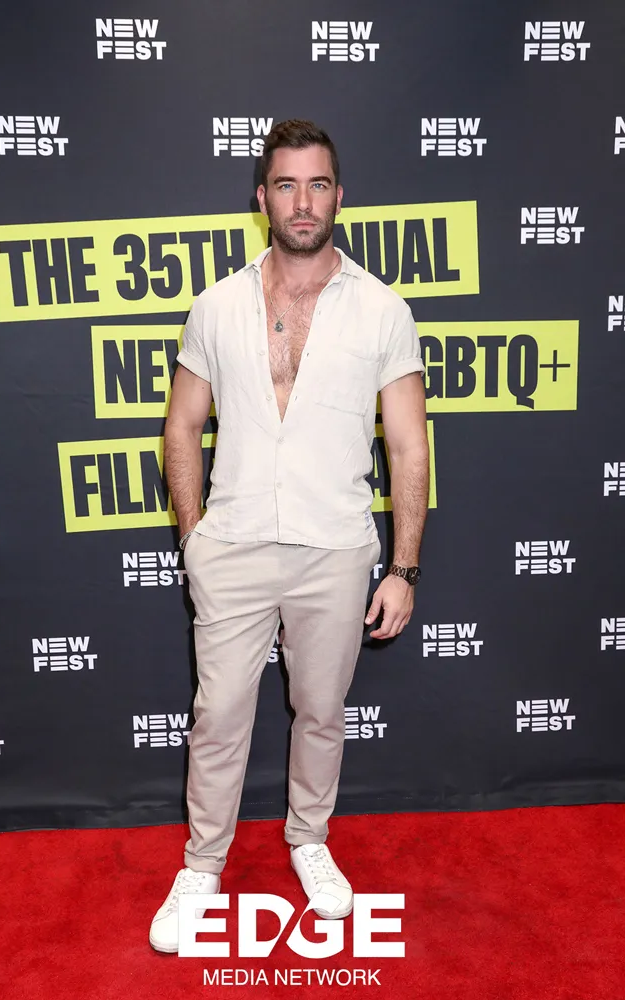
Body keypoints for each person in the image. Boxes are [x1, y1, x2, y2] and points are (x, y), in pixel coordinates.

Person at [149, 119, 429, 953]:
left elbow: (408, 445)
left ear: (339, 196)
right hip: (232, 546)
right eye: (285, 185)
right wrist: (195, 538)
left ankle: (309, 839)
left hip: (335, 548)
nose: (302, 202)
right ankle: (202, 863)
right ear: (261, 198)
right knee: (218, 716)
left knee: (321, 713)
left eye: (317, 185)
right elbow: (181, 426)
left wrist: (404, 566)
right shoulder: (215, 306)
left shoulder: (383, 309)